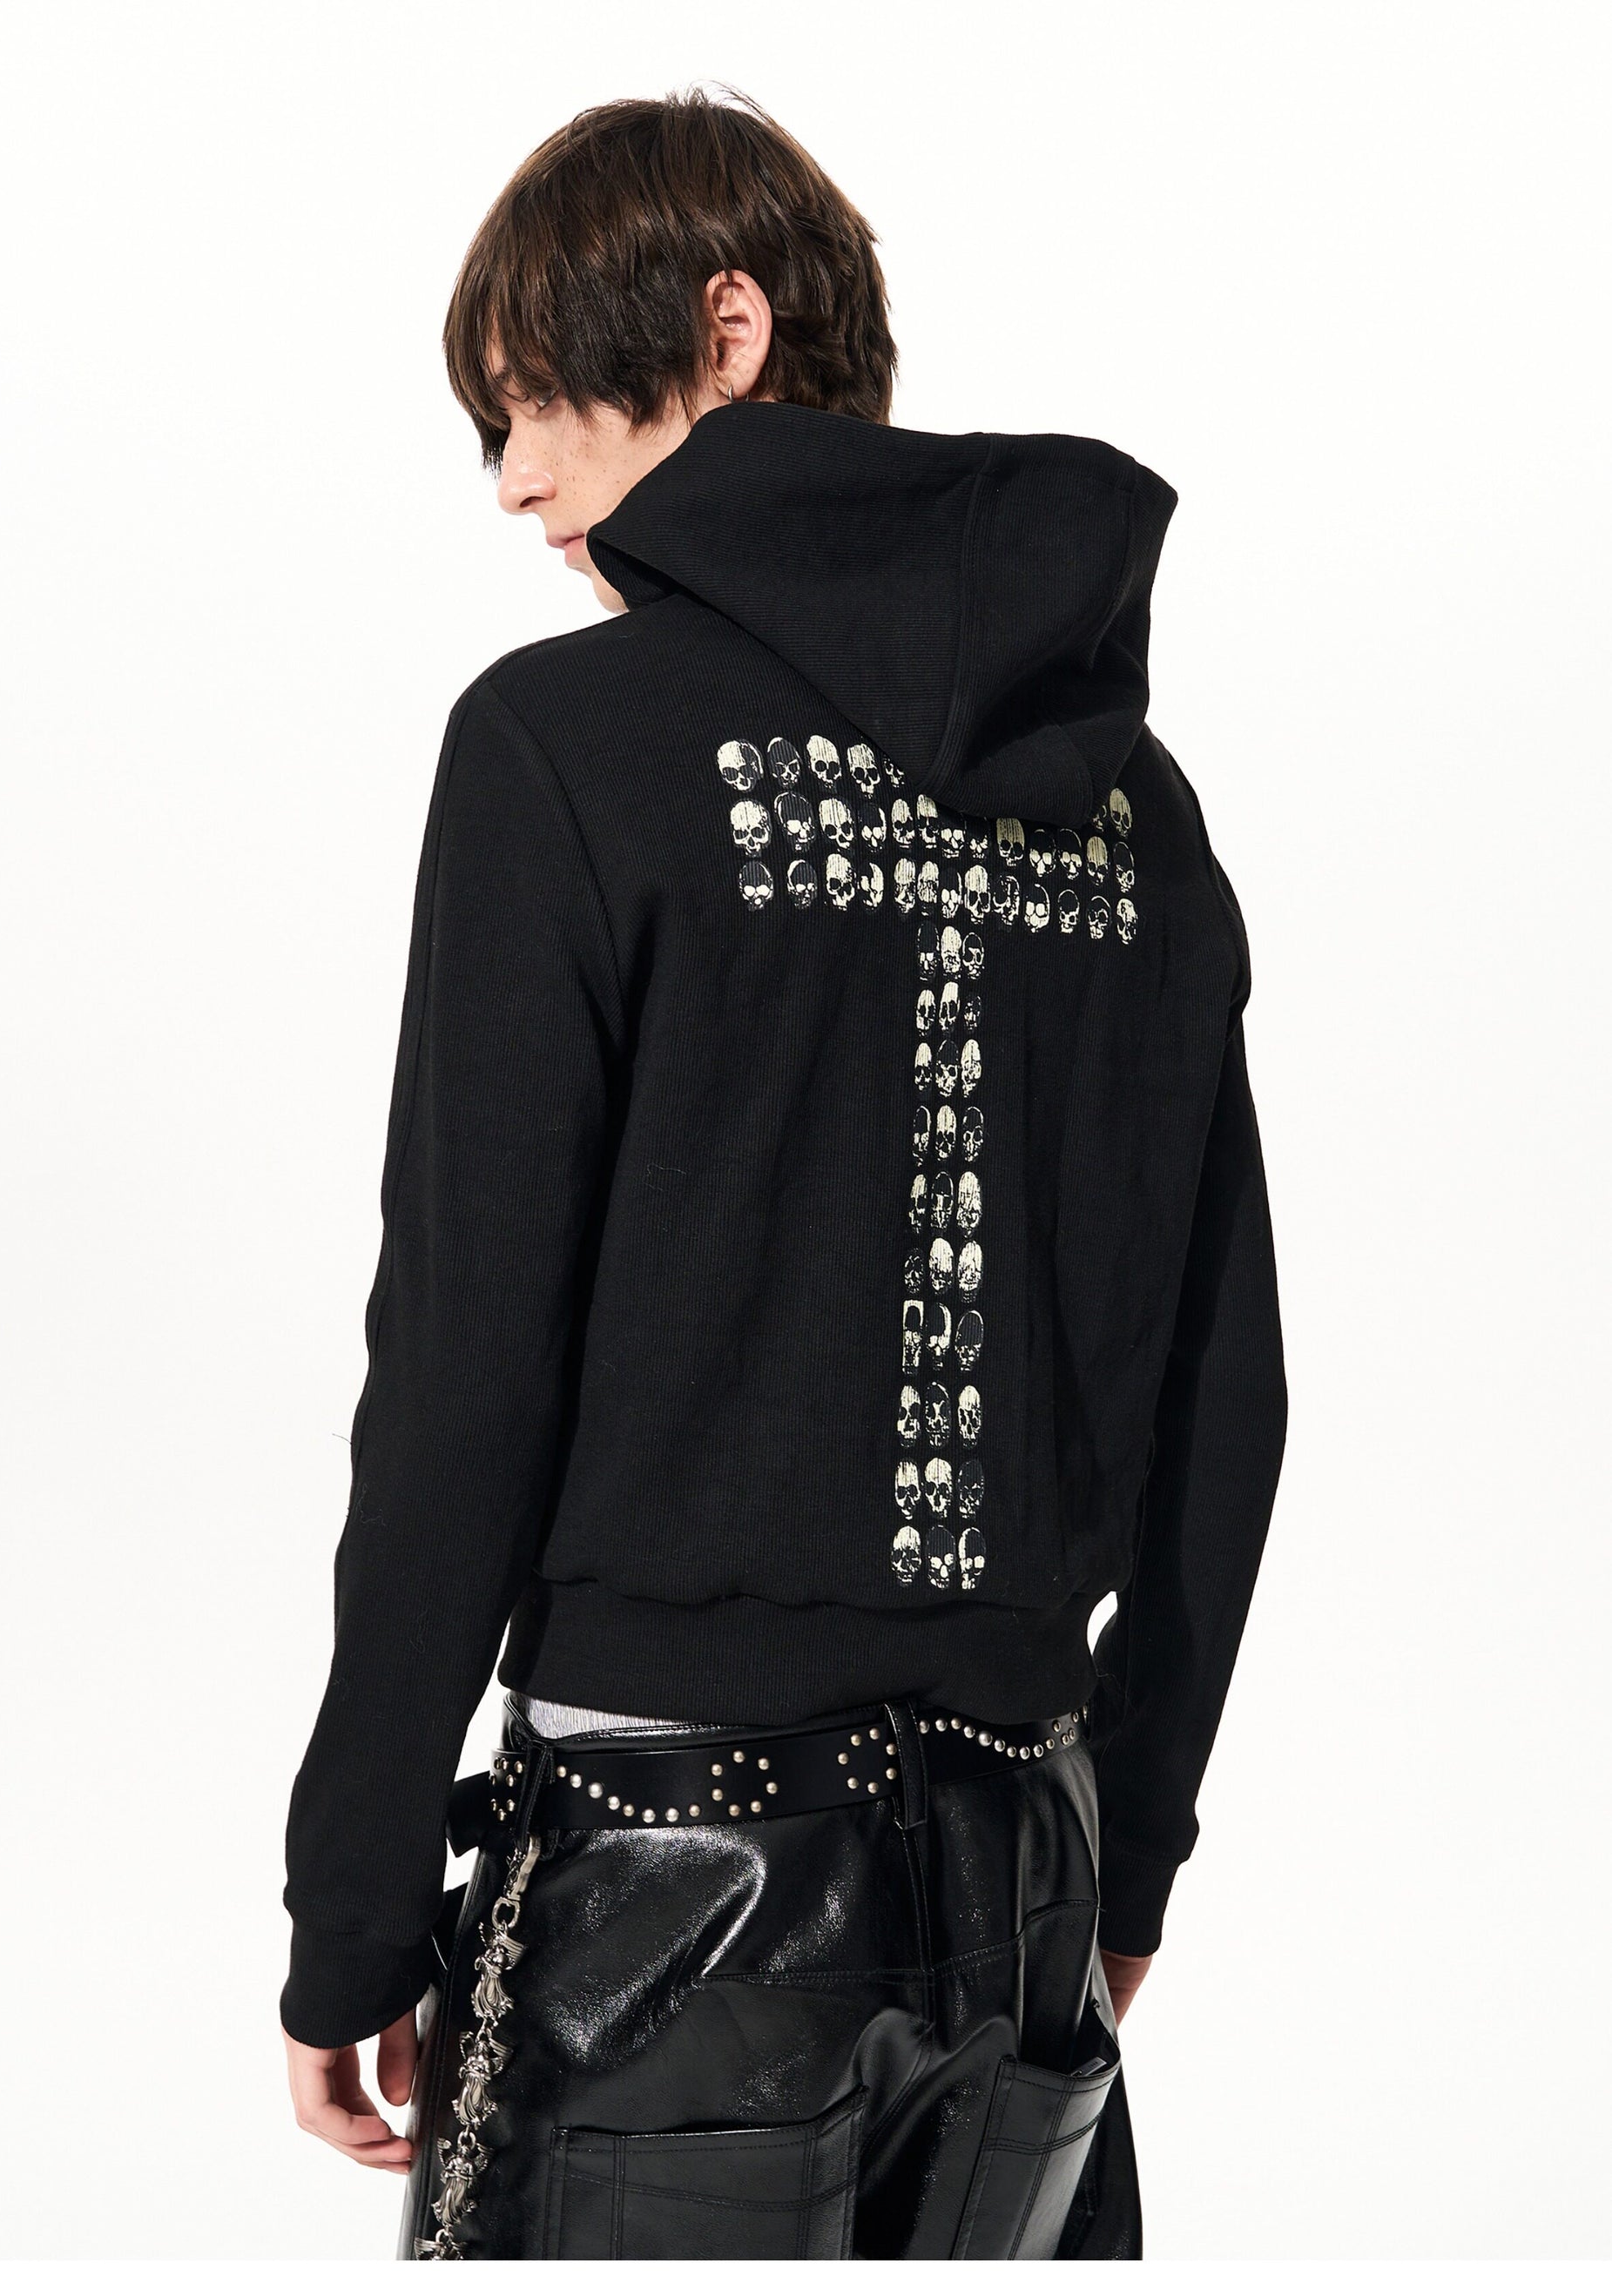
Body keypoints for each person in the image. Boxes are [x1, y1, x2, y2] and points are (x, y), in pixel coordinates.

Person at [280, 91, 1286, 2262]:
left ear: (723, 335)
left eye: (531, 400)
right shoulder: (1135, 804)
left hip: (658, 1890)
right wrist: (1134, 1846)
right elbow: (1227, 1389)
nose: (514, 477)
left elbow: (463, 1361)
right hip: (1024, 1880)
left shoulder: (558, 745)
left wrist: (350, 1902)